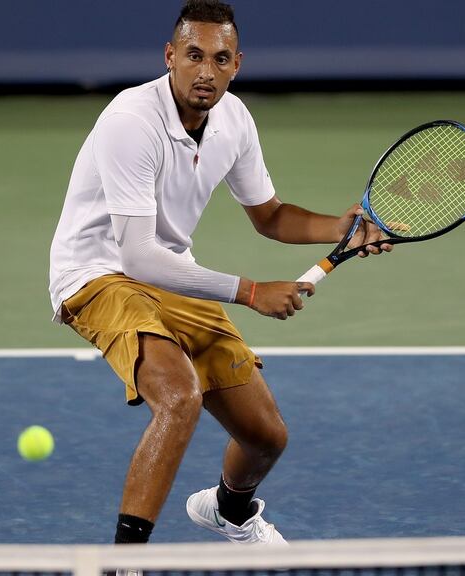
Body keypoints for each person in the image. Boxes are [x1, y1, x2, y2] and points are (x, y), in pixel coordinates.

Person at [49, 0, 392, 547]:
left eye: (221, 58)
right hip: (99, 274)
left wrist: (341, 228)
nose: (206, 71)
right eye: (193, 55)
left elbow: (272, 217)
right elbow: (136, 257)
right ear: (170, 56)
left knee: (265, 436)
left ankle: (229, 512)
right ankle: (127, 561)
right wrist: (251, 291)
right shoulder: (130, 121)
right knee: (179, 396)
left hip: (172, 277)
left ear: (237, 64)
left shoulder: (233, 119)